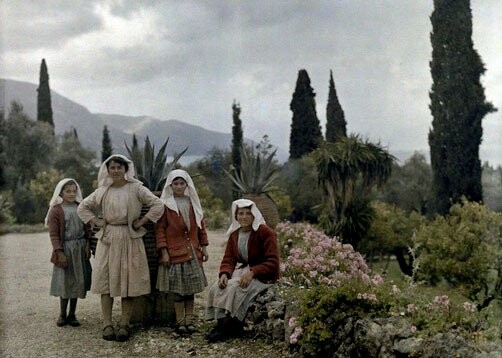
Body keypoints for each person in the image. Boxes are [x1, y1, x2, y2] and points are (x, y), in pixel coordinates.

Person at [77, 155, 164, 342]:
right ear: (107, 170)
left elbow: (157, 204)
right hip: (108, 238)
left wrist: (142, 221)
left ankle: (125, 324)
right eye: (112, 167)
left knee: (128, 281)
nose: (116, 171)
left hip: (129, 238)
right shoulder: (102, 191)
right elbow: (82, 207)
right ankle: (107, 324)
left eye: (119, 167)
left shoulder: (136, 188)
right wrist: (95, 220)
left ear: (126, 169)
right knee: (105, 281)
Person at [205, 199, 280, 342]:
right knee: (218, 286)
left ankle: (229, 326)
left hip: (263, 276)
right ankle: (222, 323)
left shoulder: (265, 232)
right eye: (240, 213)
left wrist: (253, 272)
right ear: (235, 215)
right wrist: (225, 274)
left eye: (248, 213)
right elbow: (229, 259)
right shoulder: (235, 234)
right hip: (245, 271)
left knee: (235, 288)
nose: (244, 217)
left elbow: (273, 262)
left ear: (254, 215)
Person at [155, 169, 209, 335]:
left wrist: (204, 246)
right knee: (178, 290)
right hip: (175, 252)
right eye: (175, 183)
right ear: (171, 186)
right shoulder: (165, 205)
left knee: (190, 290)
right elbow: (160, 230)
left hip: (192, 251)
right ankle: (180, 322)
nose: (179, 186)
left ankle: (189, 320)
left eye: (182, 183)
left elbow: (200, 226)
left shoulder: (192, 203)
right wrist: (164, 251)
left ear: (187, 185)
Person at [45, 178, 92, 327]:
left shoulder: (81, 207)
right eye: (68, 191)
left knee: (77, 281)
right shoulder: (56, 210)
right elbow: (53, 234)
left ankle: (72, 314)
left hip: (79, 248)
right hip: (65, 248)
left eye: (74, 191)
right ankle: (62, 314)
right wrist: (59, 251)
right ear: (61, 193)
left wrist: (87, 245)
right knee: (66, 282)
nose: (71, 194)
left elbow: (87, 229)